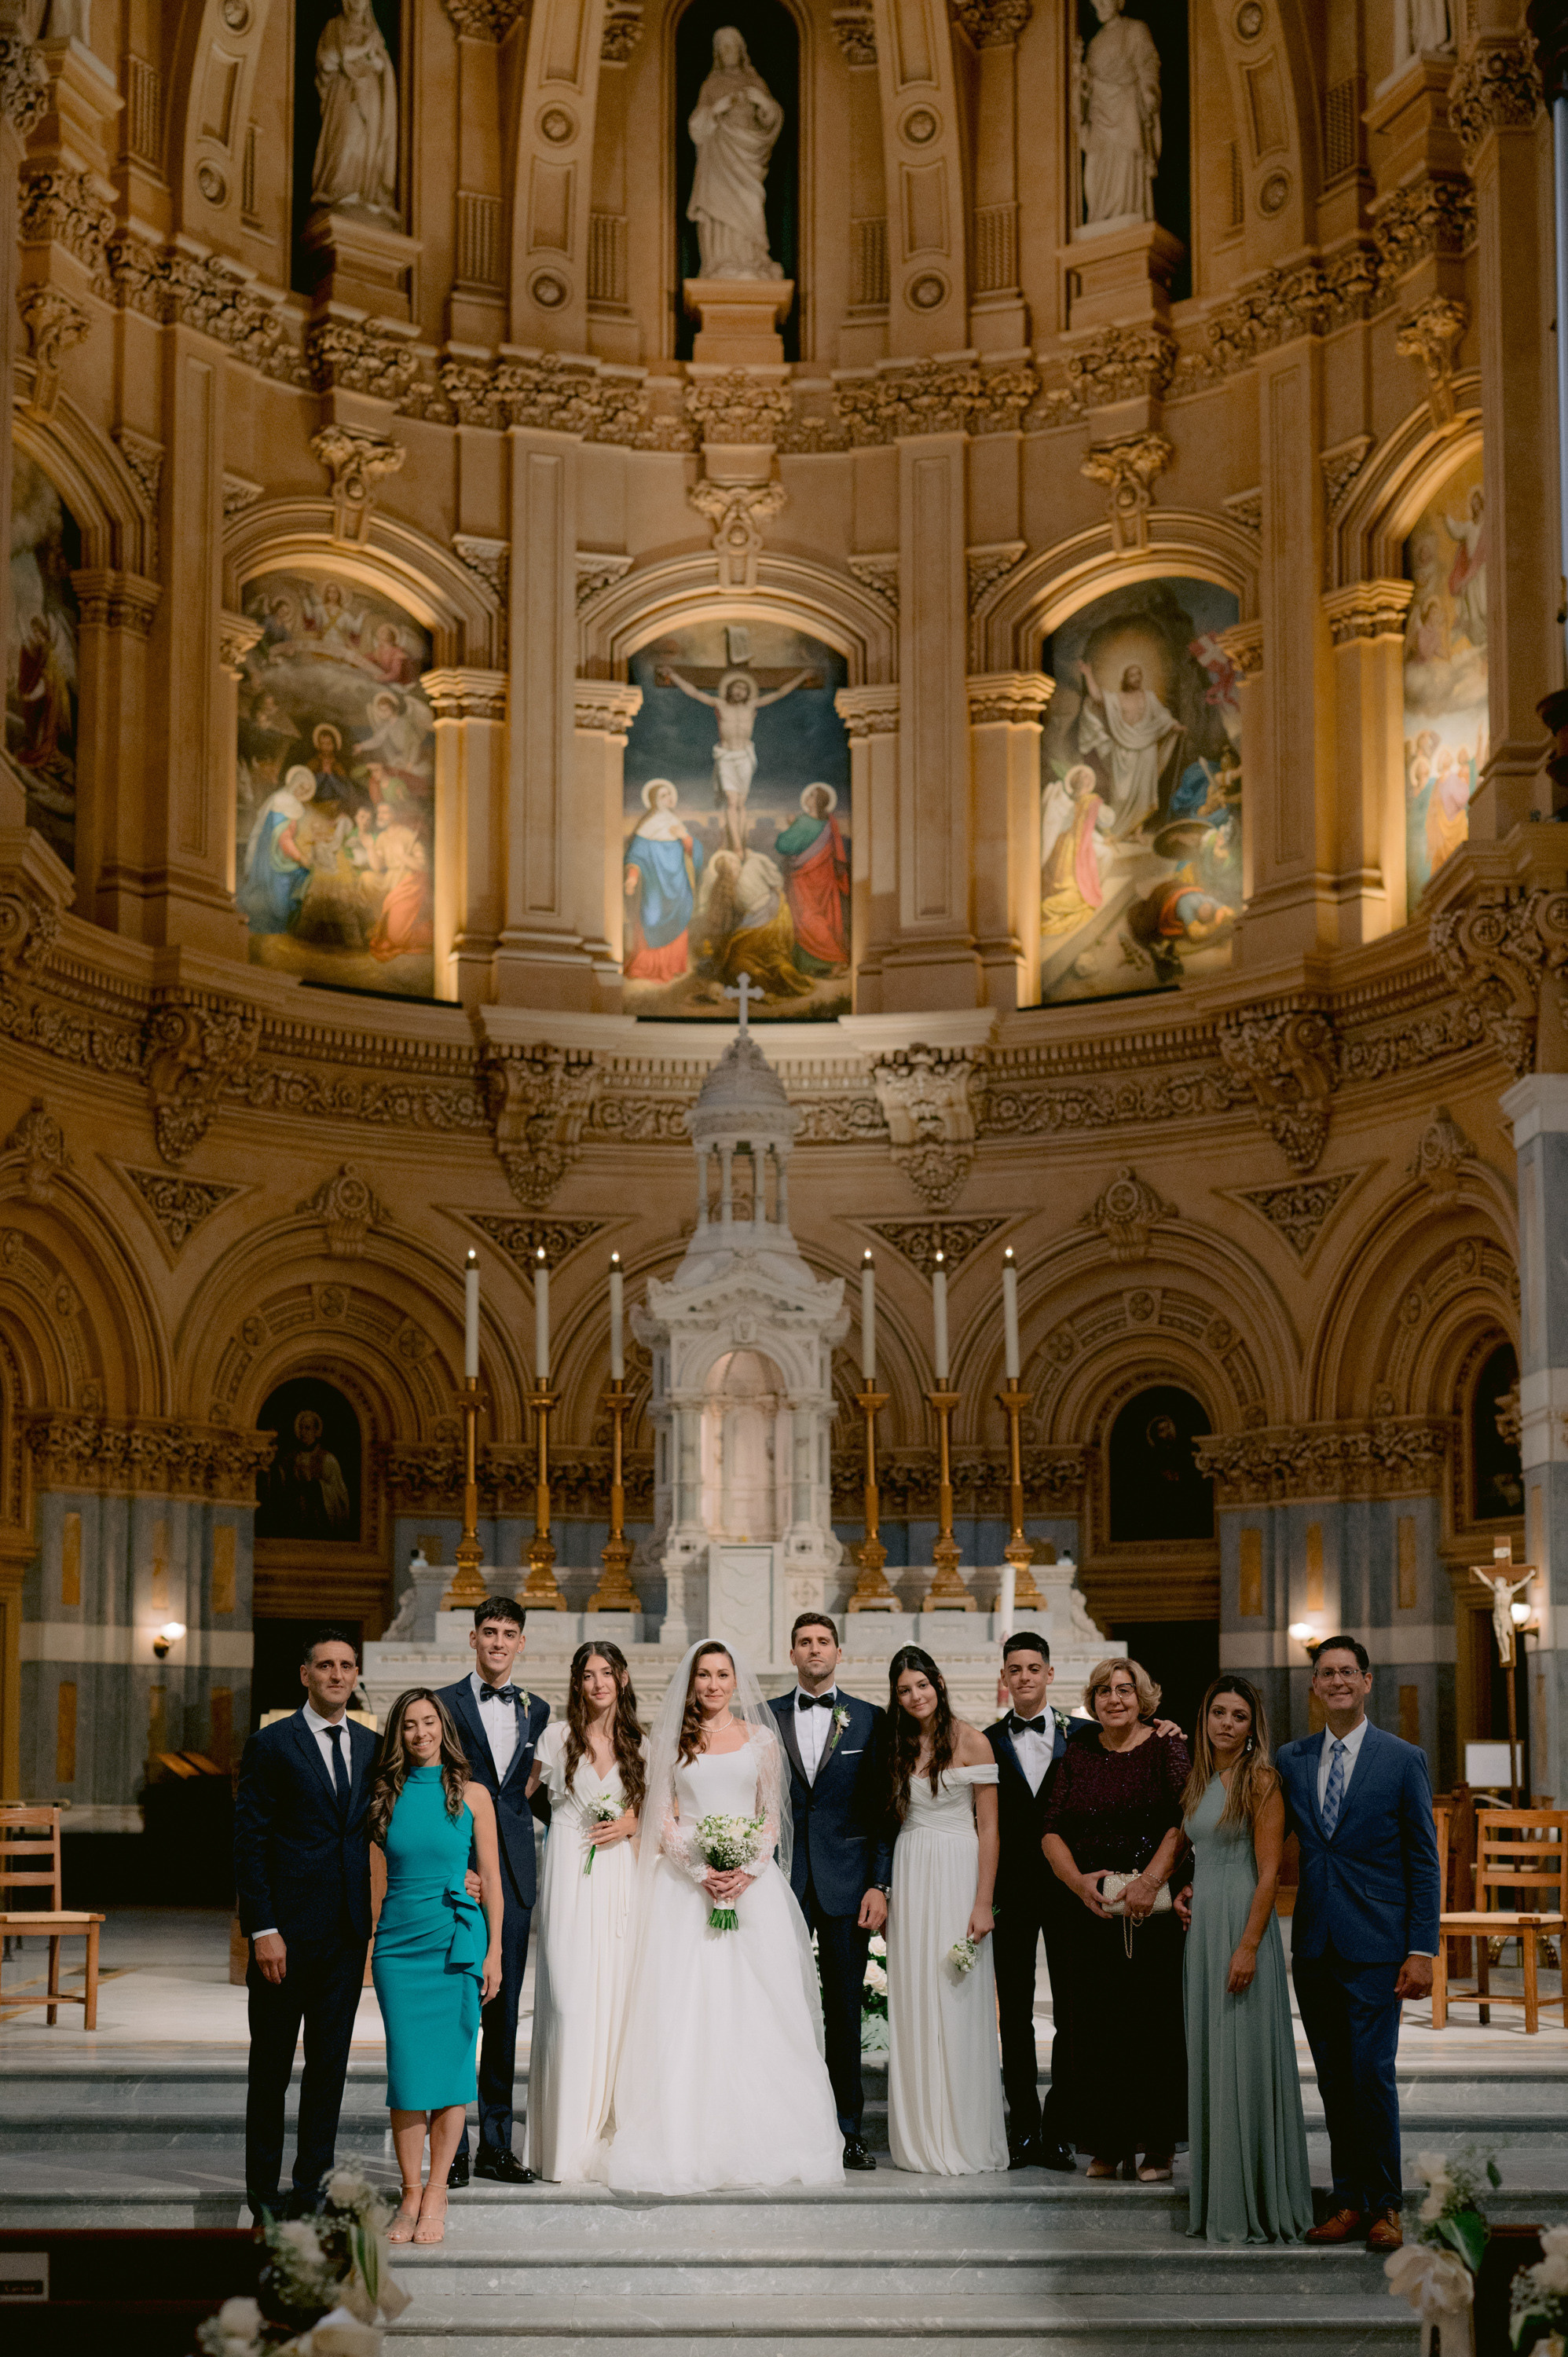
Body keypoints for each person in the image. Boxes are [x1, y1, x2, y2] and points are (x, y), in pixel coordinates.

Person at [592, 1639, 843, 2194]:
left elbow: (770, 1817)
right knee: (686, 2010)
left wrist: (746, 1871)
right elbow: (661, 1817)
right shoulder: (671, 1742)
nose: (711, 1684)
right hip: (685, 1891)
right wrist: (701, 1871)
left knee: (760, 2011)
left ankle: (767, 2132)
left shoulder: (760, 1741)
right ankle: (684, 2133)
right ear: (692, 1681)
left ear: (735, 1680)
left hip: (754, 1892)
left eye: (721, 1674)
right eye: (703, 1675)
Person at [1277, 1634, 1441, 2253]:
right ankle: (1347, 2199)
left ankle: (1386, 2206)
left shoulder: (1402, 1759)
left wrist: (1421, 1948)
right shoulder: (1291, 1760)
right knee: (1333, 2079)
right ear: (1314, 1687)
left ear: (1367, 1682)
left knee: (1372, 2075)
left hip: (1378, 1943)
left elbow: (1424, 1862)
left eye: (1348, 1671)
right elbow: (1255, 1838)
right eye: (1327, 1673)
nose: (1338, 1681)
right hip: (1315, 1943)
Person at [233, 1628, 379, 2223]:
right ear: (305, 1674)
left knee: (328, 2072)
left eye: (346, 1666)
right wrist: (262, 1927)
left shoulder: (371, 1746)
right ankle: (263, 2194)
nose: (337, 1675)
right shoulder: (272, 1744)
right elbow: (250, 1842)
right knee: (270, 2072)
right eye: (326, 1666)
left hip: (345, 1937)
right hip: (284, 1939)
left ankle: (311, 2188)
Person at [1040, 1655, 1189, 2180]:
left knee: (1153, 2029)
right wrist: (1076, 1882)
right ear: (1093, 1701)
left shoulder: (1168, 1748)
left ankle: (1159, 2145)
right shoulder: (1078, 1754)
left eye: (1125, 1689)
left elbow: (1182, 1820)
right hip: (1093, 1911)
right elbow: (1051, 1828)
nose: (1115, 1699)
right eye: (1103, 1691)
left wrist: (1150, 1881)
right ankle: (1108, 2142)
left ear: (1142, 1696)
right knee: (1097, 2030)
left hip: (1157, 1912)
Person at [1175, 1677, 1312, 2244]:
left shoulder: (1260, 1780)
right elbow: (1200, 1847)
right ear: (1205, 1718)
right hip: (1204, 1921)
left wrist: (1250, 1946)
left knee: (1241, 2056)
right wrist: (1186, 1890)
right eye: (1218, 1713)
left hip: (1240, 1923)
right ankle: (1217, 2196)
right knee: (1212, 2057)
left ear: (1253, 1724)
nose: (1227, 1724)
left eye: (1238, 1716)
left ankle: (1252, 2198)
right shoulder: (1202, 1775)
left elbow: (1271, 1872)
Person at [370, 1688, 504, 2247]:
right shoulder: (383, 1795)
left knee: (451, 2075)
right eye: (409, 1725)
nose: (420, 1733)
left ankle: (438, 2191)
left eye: (428, 1722)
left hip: (456, 1941)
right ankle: (408, 2191)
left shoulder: (473, 1794)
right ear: (398, 1734)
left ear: (442, 1728)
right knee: (407, 2076)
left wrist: (494, 1951)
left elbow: (491, 1877)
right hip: (399, 1947)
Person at [768, 1612, 892, 2171]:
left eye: (823, 1642)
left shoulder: (869, 1719)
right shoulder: (763, 1719)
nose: (814, 1650)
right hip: (780, 1884)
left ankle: (848, 2130)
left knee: (843, 2008)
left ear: (838, 1653)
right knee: (780, 2009)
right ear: (791, 1653)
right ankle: (782, 2126)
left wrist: (880, 1883)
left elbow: (886, 1809)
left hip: (848, 1883)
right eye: (804, 1642)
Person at [436, 1596, 551, 2187]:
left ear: (521, 1643)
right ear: (473, 1639)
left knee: (504, 2013)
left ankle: (497, 2145)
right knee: (460, 2011)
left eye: (509, 1633)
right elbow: (434, 1787)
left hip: (515, 1872)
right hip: (463, 1875)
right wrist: (453, 1866)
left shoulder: (539, 1709)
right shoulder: (443, 1705)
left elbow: (530, 1793)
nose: (499, 1642)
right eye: (489, 1632)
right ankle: (451, 2150)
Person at [884, 1645, 1008, 2177]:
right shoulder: (894, 1745)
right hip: (911, 1870)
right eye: (905, 1689)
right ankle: (919, 2135)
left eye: (921, 1685)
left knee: (959, 1998)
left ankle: (964, 2132)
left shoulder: (973, 1739)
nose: (915, 1696)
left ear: (937, 1682)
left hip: (959, 1870)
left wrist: (983, 1902)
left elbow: (990, 1828)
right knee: (914, 1995)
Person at [526, 1642, 646, 2183]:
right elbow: (520, 1799)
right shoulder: (556, 1737)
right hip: (570, 1876)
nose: (598, 1683)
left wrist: (632, 1823)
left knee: (616, 2002)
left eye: (606, 1673)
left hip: (621, 1878)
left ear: (621, 1679)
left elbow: (667, 1806)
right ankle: (562, 2142)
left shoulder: (643, 1742)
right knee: (571, 2003)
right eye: (587, 1675)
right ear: (576, 1683)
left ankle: (609, 2131)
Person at [984, 1631, 1084, 2173]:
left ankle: (1060, 2126)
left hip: (1070, 1889)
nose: (1023, 1677)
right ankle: (1022, 2126)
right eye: (1014, 1669)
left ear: (1050, 1674)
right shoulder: (985, 1740)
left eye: (1032, 1668)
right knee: (1016, 2013)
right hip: (1012, 1890)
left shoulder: (1086, 1735)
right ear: (1004, 1678)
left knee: (1070, 2009)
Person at [624, 780, 705, 982]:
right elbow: (635, 856)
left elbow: (695, 851)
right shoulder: (647, 827)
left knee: (678, 920)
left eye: (670, 795)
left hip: (678, 887)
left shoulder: (677, 824)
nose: (669, 799)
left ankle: (673, 966)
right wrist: (632, 878)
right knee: (650, 919)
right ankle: (645, 967)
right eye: (663, 796)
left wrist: (685, 837)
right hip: (655, 886)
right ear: (654, 801)